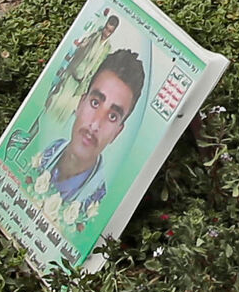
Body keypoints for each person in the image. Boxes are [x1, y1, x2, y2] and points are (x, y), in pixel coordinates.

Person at [17, 42, 145, 247]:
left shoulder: (96, 207)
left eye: (112, 116)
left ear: (117, 132)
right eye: (95, 103)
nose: (95, 124)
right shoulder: (42, 153)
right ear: (80, 103)